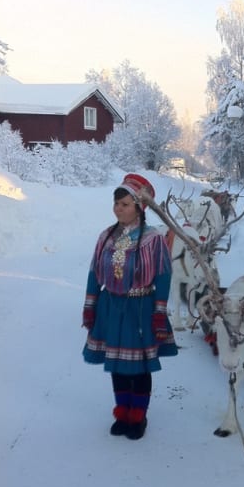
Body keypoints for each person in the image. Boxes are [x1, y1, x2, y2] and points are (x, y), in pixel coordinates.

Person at [82, 173, 178, 440]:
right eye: (116, 203)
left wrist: (159, 311)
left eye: (124, 204)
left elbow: (163, 275)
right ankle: (122, 412)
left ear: (139, 207)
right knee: (117, 364)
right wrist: (90, 305)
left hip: (140, 308)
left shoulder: (153, 239)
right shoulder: (106, 236)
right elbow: (94, 272)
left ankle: (139, 416)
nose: (118, 209)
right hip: (111, 307)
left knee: (140, 366)